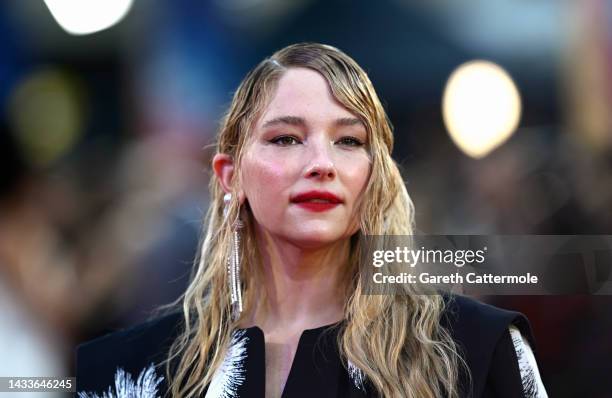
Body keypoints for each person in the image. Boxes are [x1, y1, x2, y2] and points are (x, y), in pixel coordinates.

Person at [76, 43, 548, 398]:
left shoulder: (476, 351)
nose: (321, 163)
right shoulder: (126, 371)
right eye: (285, 139)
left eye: (348, 141)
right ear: (230, 175)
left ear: (374, 174)